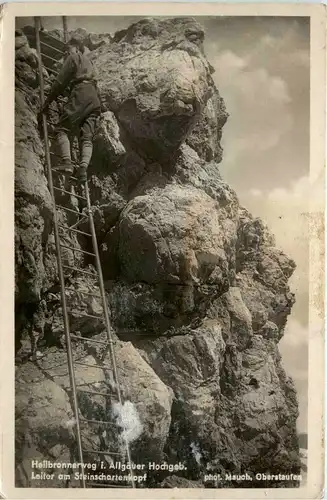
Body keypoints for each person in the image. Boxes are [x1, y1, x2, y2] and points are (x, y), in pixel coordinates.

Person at [39, 36, 102, 183]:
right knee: (86, 137)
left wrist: (47, 102)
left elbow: (60, 82)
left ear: (75, 48)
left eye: (66, 50)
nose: (65, 54)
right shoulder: (91, 63)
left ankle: (67, 162)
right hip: (94, 98)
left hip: (81, 92)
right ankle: (82, 171)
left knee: (61, 129)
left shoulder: (74, 57)